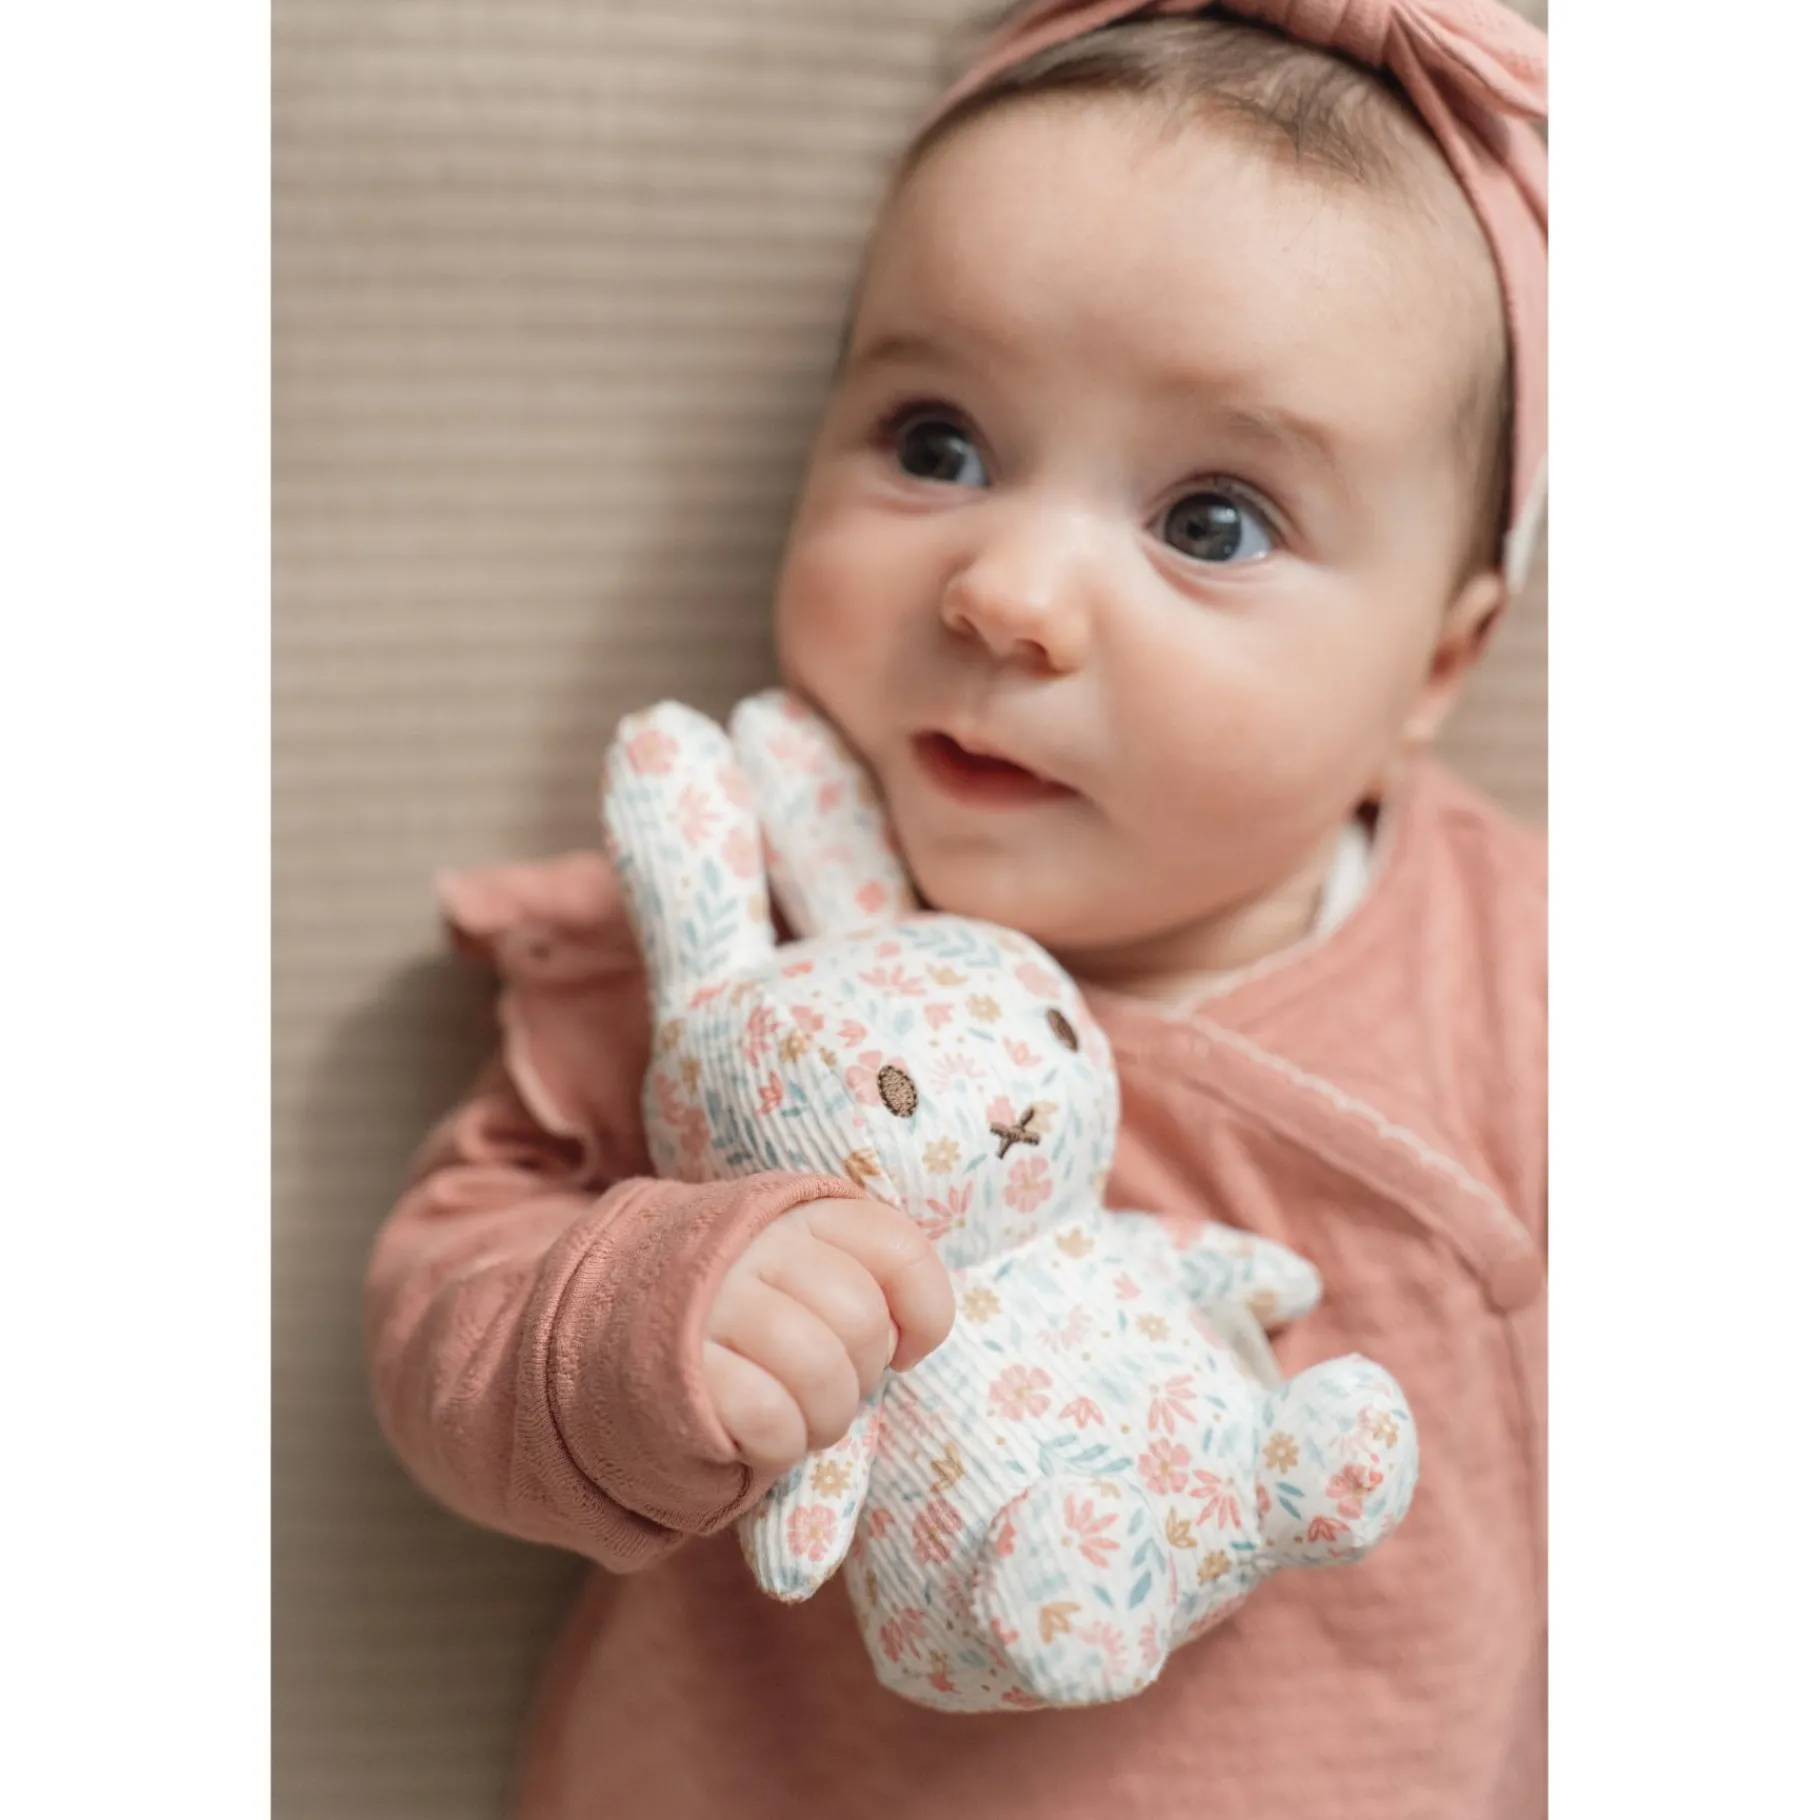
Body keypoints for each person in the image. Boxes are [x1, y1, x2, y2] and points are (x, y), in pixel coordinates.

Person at [363, 3, 1548, 1814]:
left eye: (1212, 522)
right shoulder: (727, 952)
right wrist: (640, 1325)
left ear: (1436, 667)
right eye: (935, 443)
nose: (1007, 593)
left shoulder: (1527, 970)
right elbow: (442, 1304)